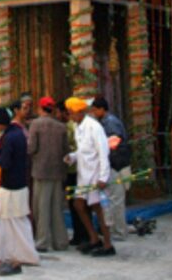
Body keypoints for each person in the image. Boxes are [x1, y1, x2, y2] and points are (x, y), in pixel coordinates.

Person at [0, 108, 40, 275]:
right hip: (20, 183)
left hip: (10, 186)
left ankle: (7, 254)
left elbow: (5, 162)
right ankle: (20, 253)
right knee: (18, 221)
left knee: (5, 219)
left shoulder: (9, 137)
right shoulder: (18, 133)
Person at [64, 97, 115, 257]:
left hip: (95, 175)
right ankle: (94, 238)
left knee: (99, 210)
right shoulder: (77, 126)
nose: (70, 117)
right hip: (83, 174)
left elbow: (103, 152)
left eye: (72, 113)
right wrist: (72, 157)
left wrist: (103, 177)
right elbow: (83, 151)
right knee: (79, 205)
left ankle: (108, 245)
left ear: (80, 112)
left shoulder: (94, 127)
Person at [28, 96, 69, 252]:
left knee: (42, 207)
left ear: (40, 108)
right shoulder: (61, 127)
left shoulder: (35, 124)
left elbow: (31, 148)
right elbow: (66, 150)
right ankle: (60, 241)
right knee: (57, 207)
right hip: (58, 171)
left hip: (41, 171)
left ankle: (42, 241)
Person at [90, 96, 132, 240]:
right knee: (113, 200)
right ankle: (115, 229)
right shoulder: (105, 122)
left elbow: (115, 142)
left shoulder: (110, 123)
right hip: (113, 164)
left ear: (102, 109)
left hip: (117, 165)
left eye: (95, 110)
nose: (94, 113)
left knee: (116, 200)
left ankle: (119, 231)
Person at [57, 100, 86, 245]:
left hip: (72, 171)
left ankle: (80, 234)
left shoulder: (69, 128)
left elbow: (67, 148)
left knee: (75, 204)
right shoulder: (76, 126)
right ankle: (81, 234)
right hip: (78, 169)